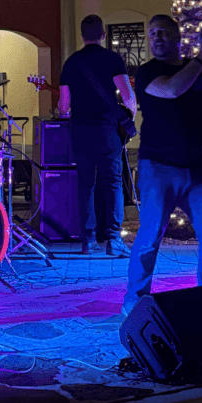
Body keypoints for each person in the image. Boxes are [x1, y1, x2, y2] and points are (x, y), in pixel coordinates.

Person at [122, 15, 202, 317]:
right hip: (158, 166)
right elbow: (172, 90)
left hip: (198, 167)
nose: (156, 38)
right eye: (152, 34)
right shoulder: (148, 72)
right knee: (149, 236)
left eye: (163, 32)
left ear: (177, 37)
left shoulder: (199, 69)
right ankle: (134, 302)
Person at [58, 14, 137, 256]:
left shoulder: (71, 63)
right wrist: (128, 120)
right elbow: (128, 97)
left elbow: (63, 107)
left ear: (82, 36)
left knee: (85, 185)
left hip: (80, 131)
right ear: (103, 35)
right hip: (106, 131)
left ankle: (88, 241)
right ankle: (114, 240)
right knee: (113, 183)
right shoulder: (113, 59)